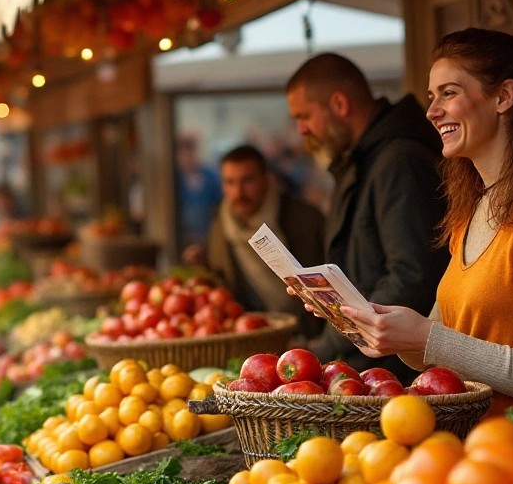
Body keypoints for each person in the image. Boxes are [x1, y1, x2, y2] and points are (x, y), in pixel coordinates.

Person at [335, 28, 513, 415]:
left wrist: (426, 337)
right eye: (432, 96)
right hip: (478, 453)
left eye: (449, 93)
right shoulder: (473, 210)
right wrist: (369, 320)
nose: (431, 111)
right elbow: (436, 349)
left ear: (504, 97)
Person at [285, 53, 449, 381]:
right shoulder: (367, 160)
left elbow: (412, 276)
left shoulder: (399, 161)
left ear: (339, 104)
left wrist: (330, 343)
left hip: (397, 375)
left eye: (304, 116)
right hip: (372, 365)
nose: (301, 129)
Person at [183, 145, 326, 336]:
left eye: (247, 181)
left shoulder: (306, 219)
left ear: (265, 179)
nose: (238, 192)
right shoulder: (221, 226)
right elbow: (226, 285)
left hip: (311, 331)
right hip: (254, 334)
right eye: (230, 182)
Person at [176, 134, 223, 248]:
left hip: (207, 234)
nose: (187, 157)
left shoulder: (210, 176)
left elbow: (219, 202)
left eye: (190, 152)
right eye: (183, 153)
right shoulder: (176, 179)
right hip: (183, 235)